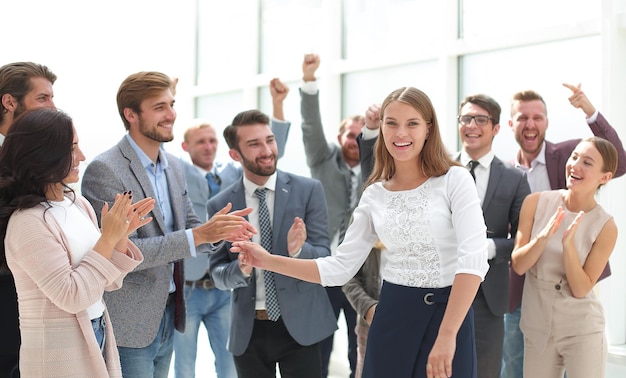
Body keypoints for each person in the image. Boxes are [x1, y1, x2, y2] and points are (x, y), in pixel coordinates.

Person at [233, 87, 490, 378]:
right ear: (381, 128)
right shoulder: (374, 195)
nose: (400, 133)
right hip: (392, 315)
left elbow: (473, 260)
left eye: (412, 123)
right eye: (391, 123)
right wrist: (265, 261)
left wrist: (447, 335)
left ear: (429, 129)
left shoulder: (455, 179)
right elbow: (340, 268)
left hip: (449, 316)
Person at [81, 71, 256, 378]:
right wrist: (198, 234)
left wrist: (218, 231)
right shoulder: (105, 170)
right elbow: (122, 254)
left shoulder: (173, 166)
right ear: (131, 114)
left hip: (170, 311)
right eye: (160, 107)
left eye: (172, 104)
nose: (172, 114)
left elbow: (189, 225)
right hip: (130, 322)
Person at [0, 108, 150, 376]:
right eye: (71, 149)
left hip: (98, 330)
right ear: (43, 154)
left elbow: (109, 282)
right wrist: (107, 237)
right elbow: (72, 297)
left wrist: (120, 235)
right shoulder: (28, 222)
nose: (81, 156)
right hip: (57, 353)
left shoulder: (78, 203)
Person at [501, 84, 626, 378]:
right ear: (510, 124)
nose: (530, 124)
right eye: (522, 118)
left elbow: (616, 158)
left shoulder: (567, 154)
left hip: (577, 302)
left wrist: (588, 109)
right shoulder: (506, 174)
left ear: (546, 122)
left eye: (538, 117)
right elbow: (516, 257)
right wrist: (542, 237)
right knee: (513, 367)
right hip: (528, 296)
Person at [174, 78, 291, 378]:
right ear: (186, 146)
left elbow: (267, 153)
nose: (209, 146)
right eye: (201, 141)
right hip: (189, 289)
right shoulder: (178, 173)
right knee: (185, 364)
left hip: (225, 288)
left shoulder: (232, 175)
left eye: (213, 140)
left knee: (229, 363)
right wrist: (171, 95)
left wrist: (278, 106)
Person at [208, 109, 337, 378]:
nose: (267, 150)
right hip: (249, 332)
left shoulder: (308, 190)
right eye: (254, 144)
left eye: (269, 140)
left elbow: (325, 259)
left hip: (302, 327)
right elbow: (218, 275)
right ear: (235, 154)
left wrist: (299, 250)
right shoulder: (221, 205)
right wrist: (241, 269)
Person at [452, 94, 531, 378]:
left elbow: (525, 239)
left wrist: (489, 248)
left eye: (481, 119)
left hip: (489, 297)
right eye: (466, 118)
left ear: (496, 128)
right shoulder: (437, 170)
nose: (471, 125)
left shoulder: (515, 178)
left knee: (485, 371)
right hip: (439, 289)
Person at [299, 53, 360, 378]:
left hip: (360, 273)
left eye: (362, 136)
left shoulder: (378, 169)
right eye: (351, 135)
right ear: (340, 138)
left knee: (359, 345)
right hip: (323, 269)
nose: (356, 141)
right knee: (319, 344)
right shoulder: (323, 159)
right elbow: (310, 126)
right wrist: (309, 81)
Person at [0, 61, 57, 377]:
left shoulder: (35, 158)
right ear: (10, 102)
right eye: (43, 98)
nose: (52, 106)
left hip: (32, 306)